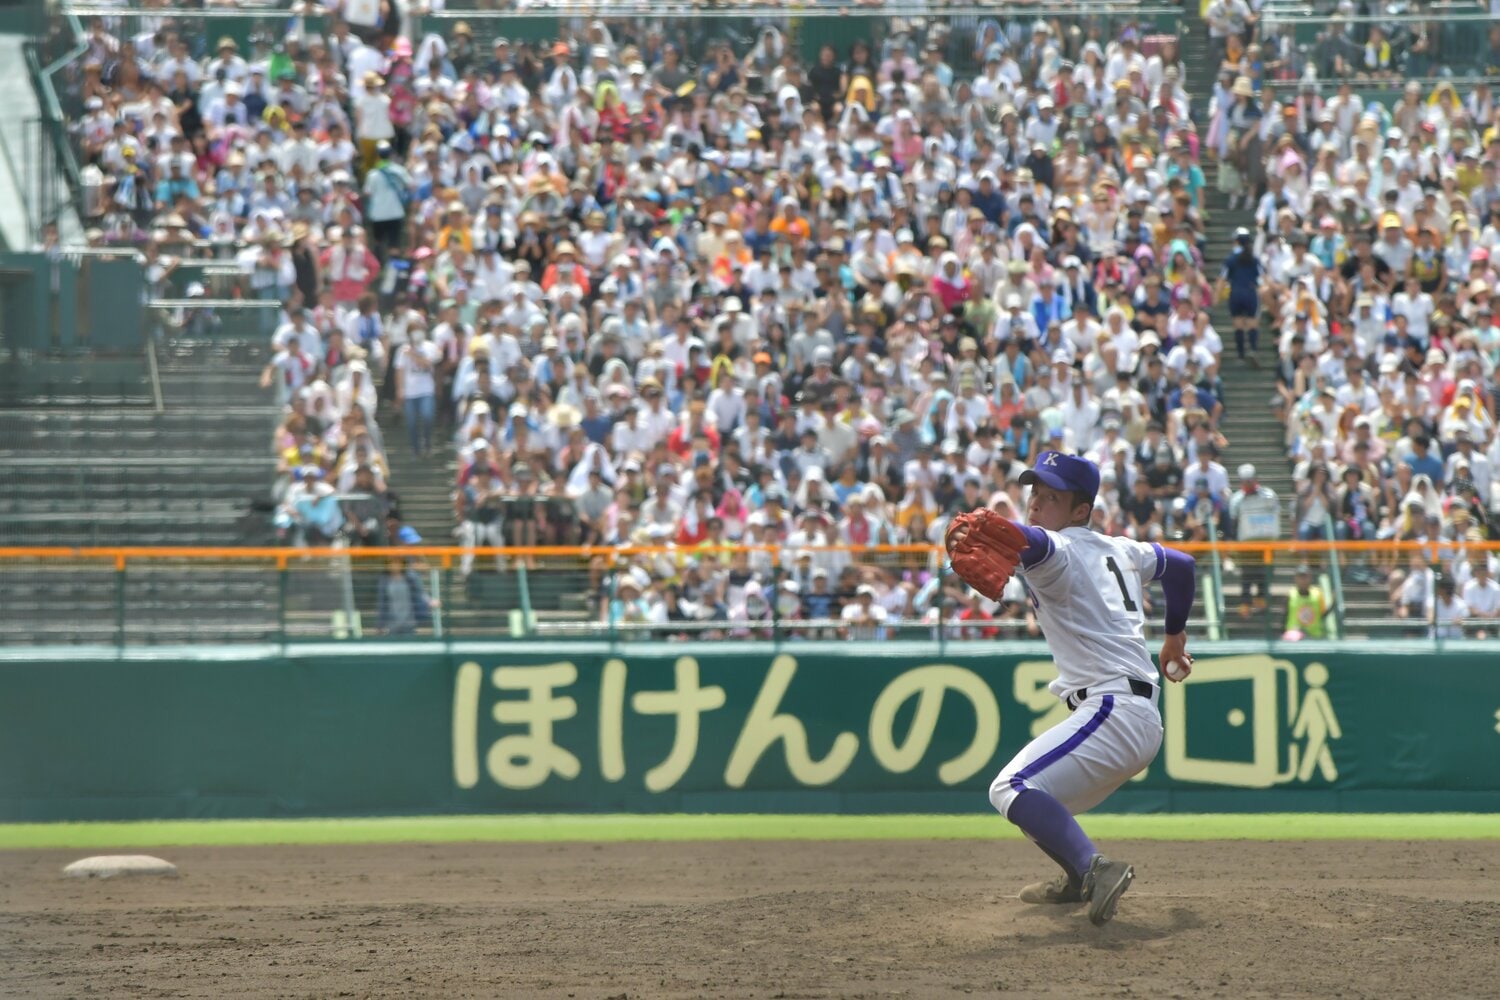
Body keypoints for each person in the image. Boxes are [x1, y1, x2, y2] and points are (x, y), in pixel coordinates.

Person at [945, 451, 1197, 926]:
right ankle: (1079, 878)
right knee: (1036, 803)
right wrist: (1175, 635)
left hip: (1113, 710)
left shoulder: (1058, 550)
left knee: (1011, 787)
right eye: (1034, 493)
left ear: (1081, 510)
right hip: (1132, 715)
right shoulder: (1122, 549)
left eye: (1052, 497)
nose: (1036, 503)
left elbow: (1036, 543)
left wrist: (1005, 529)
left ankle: (1096, 869)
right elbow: (1181, 564)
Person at [1228, 463, 1278, 618]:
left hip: (1266, 542)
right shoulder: (1237, 499)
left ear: (1256, 479)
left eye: (1250, 480)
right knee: (1247, 574)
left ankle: (1262, 600)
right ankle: (1245, 604)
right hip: (1246, 543)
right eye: (1245, 481)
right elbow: (1233, 523)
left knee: (1265, 572)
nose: (1248, 483)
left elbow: (1275, 515)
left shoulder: (1269, 495)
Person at [1283, 564, 1330, 640]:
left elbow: (1323, 615)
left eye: (1305, 577)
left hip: (1314, 637)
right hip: (1294, 639)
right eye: (1300, 577)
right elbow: (1284, 617)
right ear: (1295, 578)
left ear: (1310, 578)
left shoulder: (1318, 594)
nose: (1303, 580)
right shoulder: (1290, 595)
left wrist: (1333, 605)